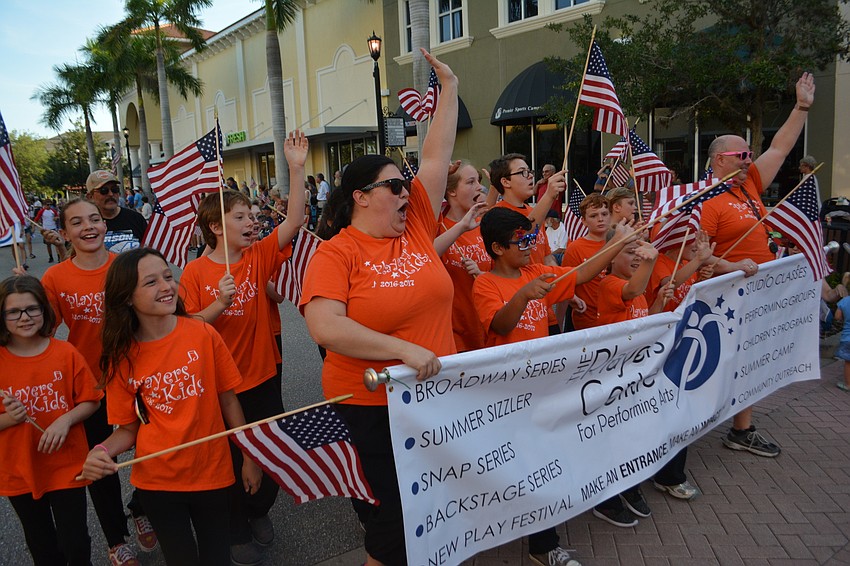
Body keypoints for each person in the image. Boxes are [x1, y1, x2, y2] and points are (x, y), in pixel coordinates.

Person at [301, 49, 457, 566]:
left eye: (404, 183)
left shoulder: (414, 226)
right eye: (394, 186)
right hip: (368, 405)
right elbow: (325, 326)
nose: (406, 191)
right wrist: (403, 351)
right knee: (389, 519)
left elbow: (434, 159)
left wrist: (450, 88)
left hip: (433, 395)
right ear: (361, 197)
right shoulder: (336, 251)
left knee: (433, 502)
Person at [472, 208, 635, 565]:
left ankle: (544, 545)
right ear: (498, 248)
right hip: (508, 393)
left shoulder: (535, 270)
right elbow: (499, 325)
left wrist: (618, 242)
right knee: (525, 467)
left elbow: (583, 273)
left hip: (542, 388)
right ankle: (529, 537)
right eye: (523, 241)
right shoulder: (486, 283)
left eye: (532, 237)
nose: (532, 245)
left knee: (542, 464)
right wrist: (523, 296)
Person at [81, 248, 262, 566]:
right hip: (158, 481)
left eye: (168, 276)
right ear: (126, 297)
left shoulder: (202, 333)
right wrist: (101, 451)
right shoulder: (122, 356)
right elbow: (127, 429)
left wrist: (249, 456)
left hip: (213, 472)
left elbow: (228, 398)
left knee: (217, 556)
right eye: (150, 282)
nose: (166, 286)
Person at [179, 130, 307, 566]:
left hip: (263, 375)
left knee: (271, 452)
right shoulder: (194, 274)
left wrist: (295, 167)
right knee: (229, 461)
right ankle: (235, 529)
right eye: (241, 217)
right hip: (218, 386)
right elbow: (188, 328)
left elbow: (293, 222)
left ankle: (258, 510)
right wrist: (219, 303)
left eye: (252, 215)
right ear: (216, 227)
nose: (252, 222)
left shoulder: (256, 257)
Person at [701, 71, 815, 458]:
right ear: (720, 159)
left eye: (750, 154)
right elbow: (694, 258)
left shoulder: (747, 184)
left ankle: (741, 428)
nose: (751, 159)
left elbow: (780, 149)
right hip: (728, 295)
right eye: (743, 155)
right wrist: (731, 268)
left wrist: (800, 107)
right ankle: (710, 420)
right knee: (730, 361)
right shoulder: (705, 201)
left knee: (750, 359)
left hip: (757, 288)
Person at [32, 198, 146, 564]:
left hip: (137, 376)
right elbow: (42, 332)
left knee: (149, 446)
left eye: (94, 219)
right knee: (100, 461)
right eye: (77, 223)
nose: (89, 227)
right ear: (64, 233)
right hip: (89, 387)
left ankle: (143, 507)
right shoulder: (55, 277)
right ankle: (116, 539)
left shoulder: (125, 267)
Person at [0, 275, 102, 566]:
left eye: (33, 309)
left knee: (76, 541)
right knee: (41, 542)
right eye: (13, 311)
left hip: (66, 463)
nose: (24, 317)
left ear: (45, 310)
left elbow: (91, 400)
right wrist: (9, 419)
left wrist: (65, 420)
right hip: (19, 468)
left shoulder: (65, 353)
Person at [591, 237, 674, 527]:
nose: (638, 257)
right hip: (612, 376)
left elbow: (642, 321)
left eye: (641, 252)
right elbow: (634, 288)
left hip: (634, 376)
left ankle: (628, 485)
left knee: (631, 436)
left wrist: (660, 303)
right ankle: (606, 500)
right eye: (630, 252)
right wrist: (651, 262)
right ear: (611, 257)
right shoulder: (611, 283)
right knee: (611, 439)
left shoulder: (636, 289)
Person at [434, 160, 490, 352]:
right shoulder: (438, 228)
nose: (480, 187)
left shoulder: (486, 224)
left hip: (490, 328)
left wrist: (483, 275)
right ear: (451, 192)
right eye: (471, 182)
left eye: (479, 181)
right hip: (457, 335)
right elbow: (427, 257)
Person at [563, 194, 613, 330]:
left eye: (604, 214)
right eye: (594, 216)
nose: (600, 219)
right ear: (584, 221)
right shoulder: (575, 248)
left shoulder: (619, 243)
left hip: (616, 317)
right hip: (588, 320)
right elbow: (566, 285)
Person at [86, 171, 148, 253]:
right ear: (90, 196)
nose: (111, 194)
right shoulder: (85, 224)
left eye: (115, 189)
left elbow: (150, 252)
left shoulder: (136, 218)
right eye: (104, 190)